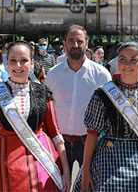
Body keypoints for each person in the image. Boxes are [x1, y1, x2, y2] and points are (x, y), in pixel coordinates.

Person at [0, 41, 71, 192]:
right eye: (13, 60)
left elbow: (56, 134)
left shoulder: (44, 92)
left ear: (31, 63)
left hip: (42, 164)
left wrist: (67, 173)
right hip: (3, 165)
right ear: (6, 63)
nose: (18, 65)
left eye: (23, 60)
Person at [73, 41, 138, 191]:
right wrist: (86, 170)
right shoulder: (103, 93)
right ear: (117, 62)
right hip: (108, 157)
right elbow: (92, 134)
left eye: (134, 60)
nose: (127, 64)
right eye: (122, 59)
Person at [45, 25, 111, 176]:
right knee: (58, 185)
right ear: (64, 44)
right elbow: (47, 108)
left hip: (90, 143)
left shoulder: (101, 74)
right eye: (71, 41)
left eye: (79, 41)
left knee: (89, 186)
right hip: (59, 143)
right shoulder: (53, 74)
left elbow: (109, 111)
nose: (75, 45)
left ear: (87, 44)